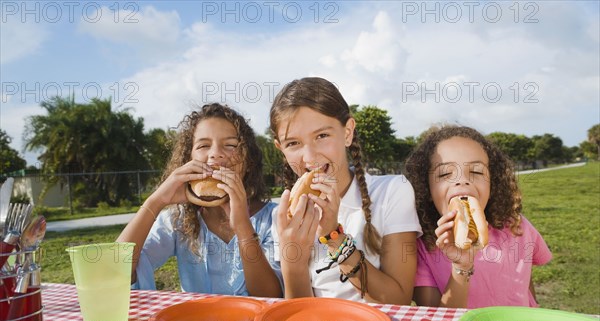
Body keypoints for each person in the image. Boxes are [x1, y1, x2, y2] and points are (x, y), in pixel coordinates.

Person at [270, 77, 421, 304]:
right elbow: (299, 314)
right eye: (293, 143)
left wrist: (334, 237)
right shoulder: (283, 216)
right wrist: (293, 259)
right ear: (281, 149)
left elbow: (398, 299)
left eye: (322, 136)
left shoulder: (392, 192)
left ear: (348, 132)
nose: (309, 157)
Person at [117, 103, 282, 297]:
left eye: (230, 145)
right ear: (189, 158)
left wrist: (243, 227)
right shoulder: (178, 220)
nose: (215, 153)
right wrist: (156, 201)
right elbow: (117, 268)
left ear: (248, 161)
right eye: (203, 145)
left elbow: (271, 296)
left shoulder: (274, 218)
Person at [405, 125, 552, 308]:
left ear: (493, 183)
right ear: (426, 189)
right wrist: (462, 267)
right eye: (444, 173)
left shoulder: (518, 226)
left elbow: (525, 281)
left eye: (476, 172)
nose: (462, 180)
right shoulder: (422, 246)